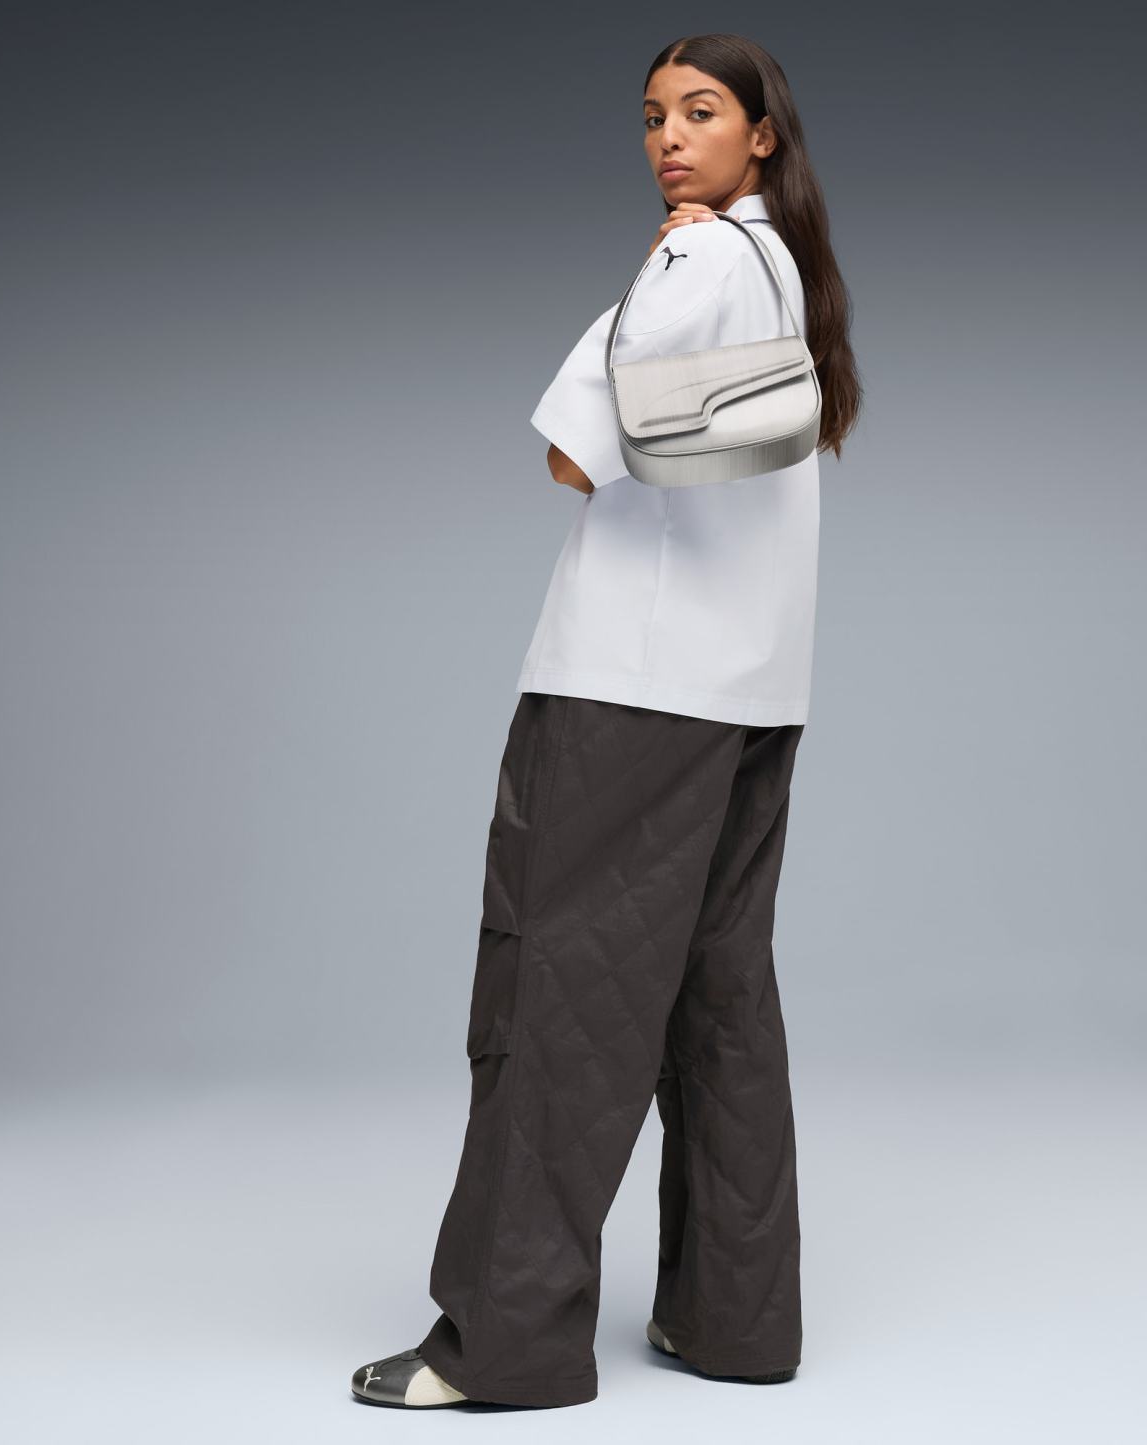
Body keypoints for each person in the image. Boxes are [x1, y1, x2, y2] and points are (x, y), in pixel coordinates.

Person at [350, 32, 862, 1410]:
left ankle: (503, 1345)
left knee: (555, 991)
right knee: (716, 998)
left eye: (700, 112)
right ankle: (734, 1321)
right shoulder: (788, 268)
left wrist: (647, 275)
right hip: (752, 687)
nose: (668, 139)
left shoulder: (698, 261)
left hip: (629, 683)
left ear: (762, 133)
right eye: (650, 117)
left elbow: (574, 458)